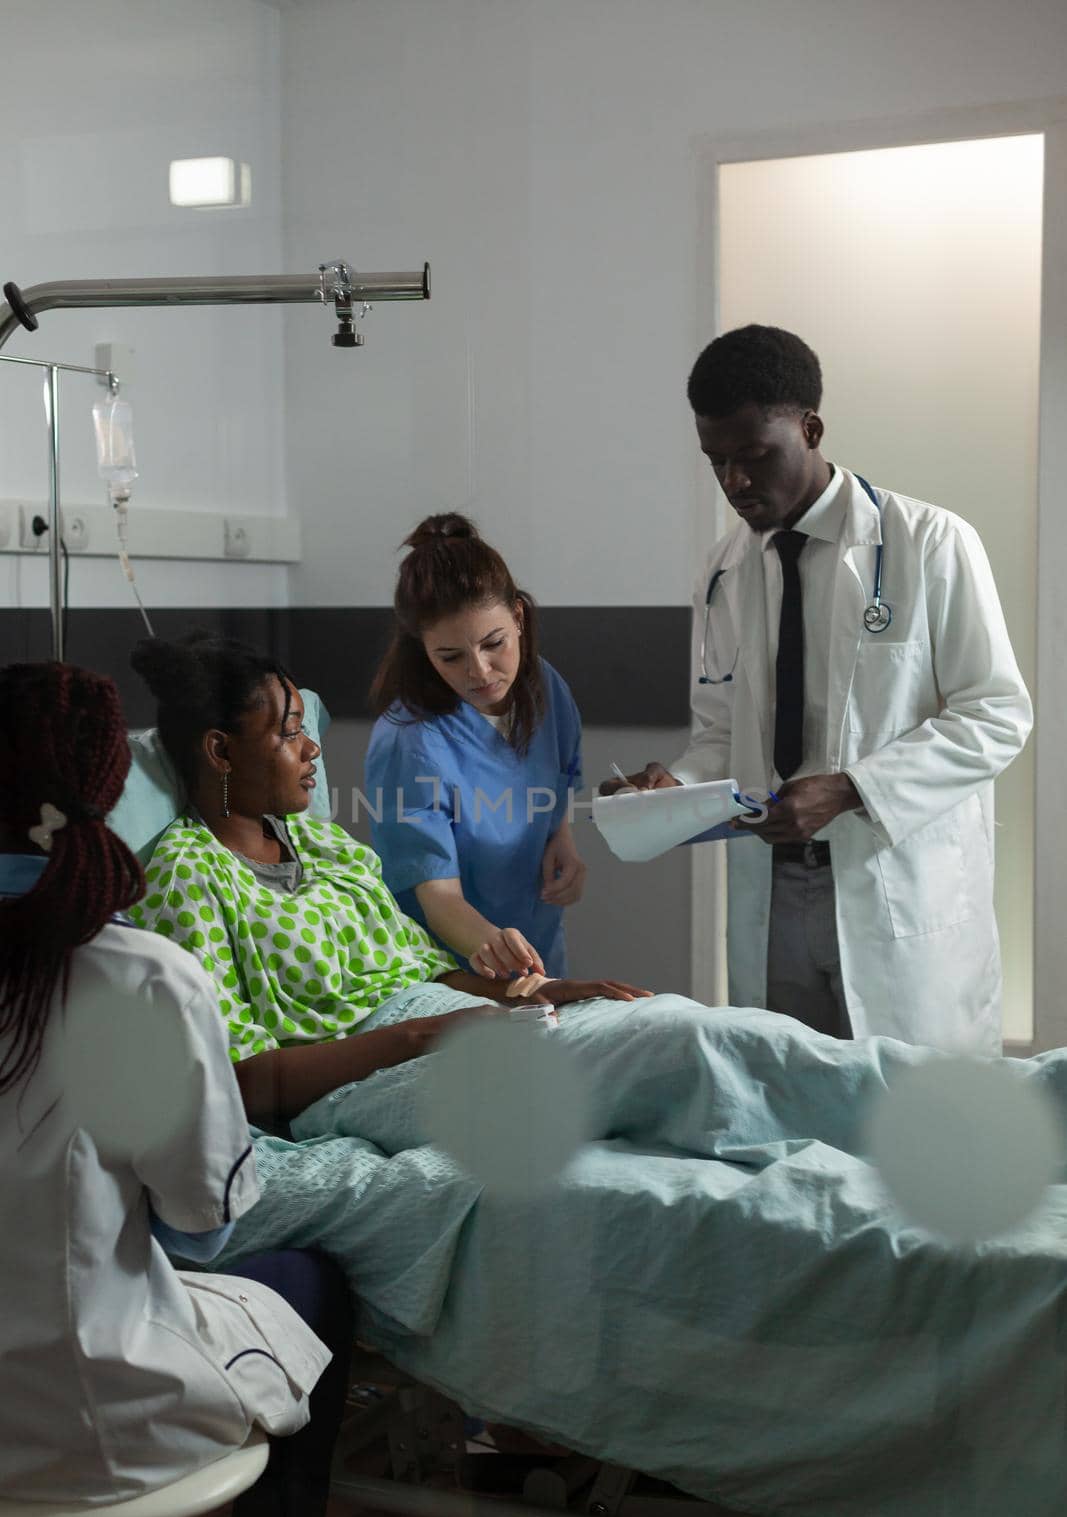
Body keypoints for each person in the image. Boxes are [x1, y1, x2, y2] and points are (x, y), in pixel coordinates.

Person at [0, 661, 353, 1517]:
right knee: (313, 1284)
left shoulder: (317, 861)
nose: (308, 748)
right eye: (285, 728)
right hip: (87, 1396)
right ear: (111, 792)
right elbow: (202, 1223)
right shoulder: (142, 977)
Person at [602, 324, 1032, 1054]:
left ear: (809, 429)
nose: (734, 481)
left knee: (913, 1121)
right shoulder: (724, 570)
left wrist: (851, 787)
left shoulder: (929, 542)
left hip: (892, 881)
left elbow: (994, 714)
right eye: (716, 462)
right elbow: (719, 730)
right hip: (774, 888)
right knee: (790, 1094)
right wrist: (670, 785)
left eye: (753, 456)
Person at [126, 633, 645, 1133]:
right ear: (220, 751)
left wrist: (535, 990)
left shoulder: (327, 848)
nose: (311, 749)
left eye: (305, 730)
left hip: (448, 1027)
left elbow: (425, 971)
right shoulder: (187, 879)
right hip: (356, 1082)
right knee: (613, 1071)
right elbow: (240, 1080)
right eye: (288, 734)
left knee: (651, 1027)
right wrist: (422, 1036)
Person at [365, 513, 586, 980]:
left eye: (494, 644)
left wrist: (560, 838)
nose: (481, 671)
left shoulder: (545, 687)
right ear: (423, 650)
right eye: (451, 657)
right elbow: (439, 898)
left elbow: (555, 776)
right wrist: (502, 956)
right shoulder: (411, 740)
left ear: (519, 618)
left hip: (538, 945)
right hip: (449, 970)